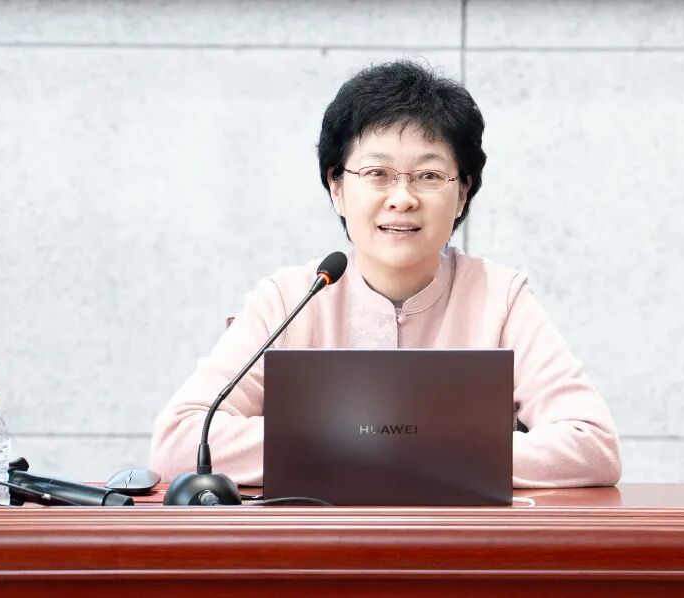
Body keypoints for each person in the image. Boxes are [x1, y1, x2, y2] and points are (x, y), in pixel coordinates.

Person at [150, 60, 621, 488]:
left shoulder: (500, 297)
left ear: (462, 194)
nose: (402, 198)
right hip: (318, 546)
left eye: (429, 176)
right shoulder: (290, 298)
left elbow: (591, 443)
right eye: (377, 173)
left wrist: (369, 446)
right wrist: (415, 448)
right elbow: (183, 440)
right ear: (337, 187)